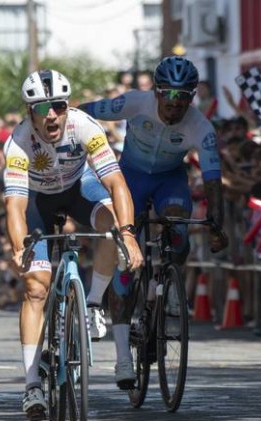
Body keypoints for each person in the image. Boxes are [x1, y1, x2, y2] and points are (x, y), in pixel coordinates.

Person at [79, 55, 228, 389]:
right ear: (156, 93)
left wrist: (219, 224)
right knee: (125, 261)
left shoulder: (201, 127)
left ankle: (169, 286)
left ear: (192, 98)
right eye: (168, 97)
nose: (174, 106)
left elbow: (214, 179)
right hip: (130, 176)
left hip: (169, 180)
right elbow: (85, 112)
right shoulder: (135, 102)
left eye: (183, 99)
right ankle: (121, 359)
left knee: (178, 222)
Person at [2, 69, 143, 421]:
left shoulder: (85, 127)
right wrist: (20, 246)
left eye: (59, 106)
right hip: (38, 200)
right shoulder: (18, 142)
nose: (51, 115)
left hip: (80, 188)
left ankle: (93, 302)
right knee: (36, 287)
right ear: (29, 110)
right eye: (41, 107)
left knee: (111, 226)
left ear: (67, 107)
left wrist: (127, 233)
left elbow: (117, 184)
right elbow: (15, 206)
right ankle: (32, 384)